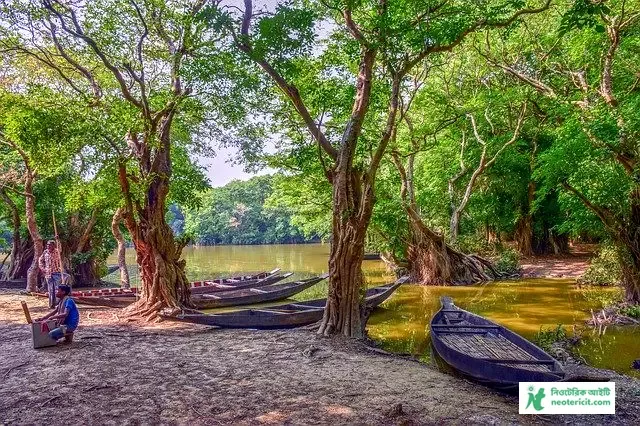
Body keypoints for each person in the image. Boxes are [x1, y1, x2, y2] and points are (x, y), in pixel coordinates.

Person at [38, 240, 63, 308]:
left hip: (56, 273)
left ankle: (58, 304)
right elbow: (40, 260)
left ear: (53, 246)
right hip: (48, 274)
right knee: (50, 289)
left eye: (50, 245)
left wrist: (58, 240)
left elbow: (60, 247)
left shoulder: (57, 251)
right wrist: (43, 269)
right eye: (47, 245)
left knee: (58, 289)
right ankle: (51, 305)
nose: (48, 246)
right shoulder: (45, 252)